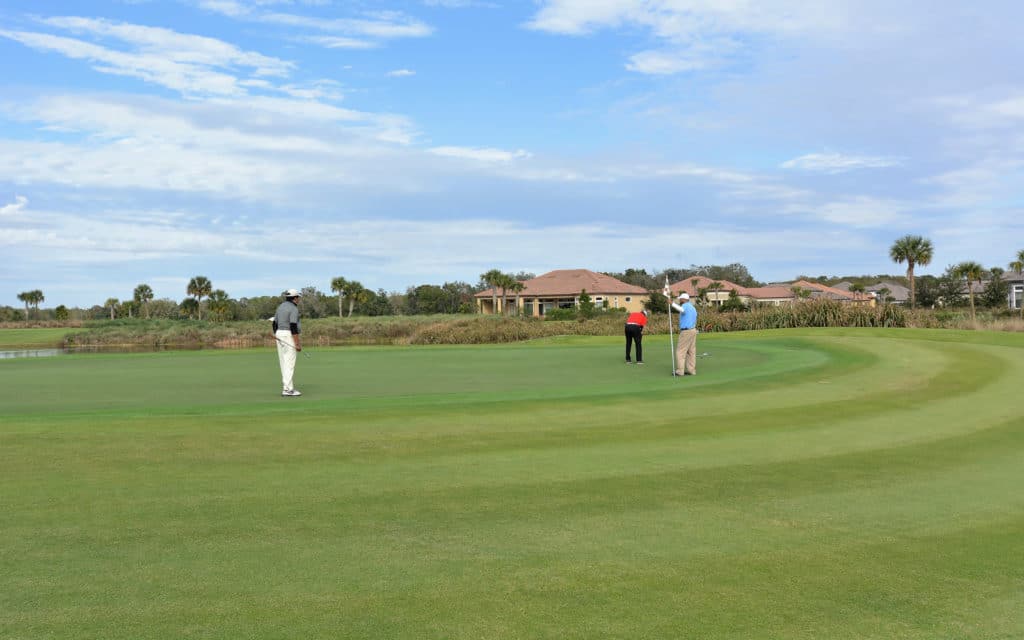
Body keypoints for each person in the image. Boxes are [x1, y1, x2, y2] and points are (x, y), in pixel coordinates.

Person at [273, 288, 303, 396]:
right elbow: (293, 326)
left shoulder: (280, 307)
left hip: (279, 334)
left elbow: (274, 323)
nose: (298, 299)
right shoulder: (294, 308)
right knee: (289, 363)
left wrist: (276, 334)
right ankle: (288, 390)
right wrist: (297, 344)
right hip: (288, 335)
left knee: (283, 362)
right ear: (294, 298)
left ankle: (286, 387)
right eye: (298, 297)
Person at [671, 292, 698, 376]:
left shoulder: (685, 305)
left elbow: (681, 310)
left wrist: (672, 304)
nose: (680, 300)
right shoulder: (693, 307)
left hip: (686, 331)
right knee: (691, 351)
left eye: (680, 299)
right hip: (693, 330)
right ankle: (691, 370)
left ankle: (680, 371)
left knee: (680, 351)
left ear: (684, 299)